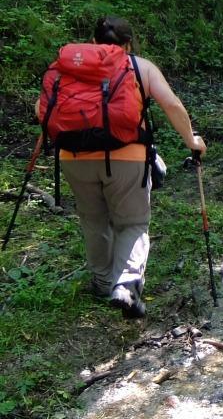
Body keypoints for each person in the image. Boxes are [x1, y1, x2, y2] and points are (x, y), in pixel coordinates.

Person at [37, 16, 207, 318]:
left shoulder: (66, 67)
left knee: (93, 221)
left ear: (92, 42)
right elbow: (171, 105)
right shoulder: (139, 66)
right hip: (125, 157)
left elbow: (43, 109)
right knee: (133, 223)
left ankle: (103, 283)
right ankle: (126, 284)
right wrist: (191, 140)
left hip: (73, 158)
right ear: (127, 43)